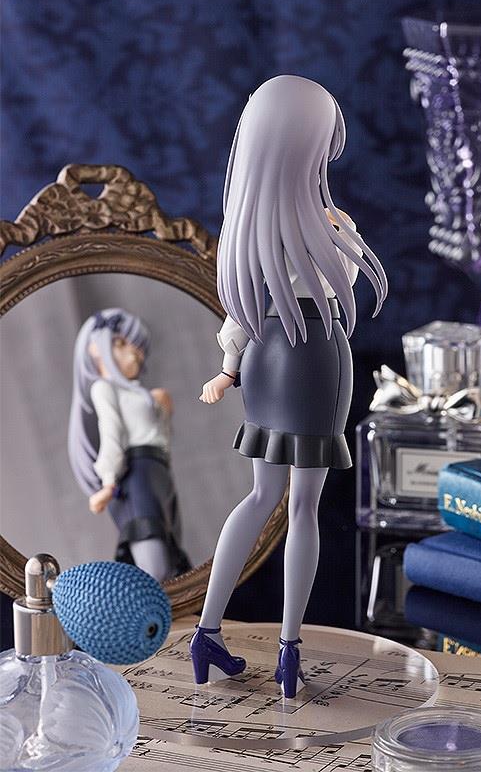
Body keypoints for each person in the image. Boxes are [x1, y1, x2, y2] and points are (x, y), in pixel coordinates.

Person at [191, 75, 387, 697]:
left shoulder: (249, 226)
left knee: (259, 496)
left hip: (265, 358)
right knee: (302, 506)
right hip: (315, 358)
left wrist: (228, 370)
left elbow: (240, 315)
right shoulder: (331, 225)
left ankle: (206, 631)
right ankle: (288, 651)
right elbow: (342, 289)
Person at [68, 307, 190, 582]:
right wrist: (108, 483)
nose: (134, 353)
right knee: (154, 566)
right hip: (137, 477)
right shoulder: (104, 388)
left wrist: (161, 410)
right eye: (121, 343)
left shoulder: (141, 394)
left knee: (172, 560)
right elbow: (112, 433)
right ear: (95, 348)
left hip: (160, 475)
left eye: (139, 347)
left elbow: (160, 439)